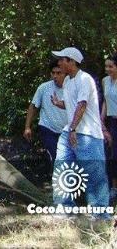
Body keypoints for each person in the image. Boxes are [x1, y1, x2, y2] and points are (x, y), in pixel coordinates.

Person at [49, 47, 110, 215]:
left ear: (72, 61)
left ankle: (100, 214)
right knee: (62, 168)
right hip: (70, 132)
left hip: (88, 134)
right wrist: (58, 103)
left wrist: (74, 128)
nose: (59, 63)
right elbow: (71, 104)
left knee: (94, 174)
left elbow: (82, 104)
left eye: (62, 59)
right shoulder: (68, 81)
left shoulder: (85, 79)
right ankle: (64, 209)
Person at [24, 62, 67, 162]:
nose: (55, 76)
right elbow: (33, 106)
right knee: (56, 156)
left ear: (65, 73)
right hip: (48, 128)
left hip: (66, 130)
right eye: (53, 73)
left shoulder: (71, 88)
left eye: (59, 73)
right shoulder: (43, 88)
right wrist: (27, 127)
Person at [101, 54, 117, 200]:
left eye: (111, 66)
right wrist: (101, 119)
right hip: (112, 122)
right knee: (112, 155)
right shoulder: (105, 81)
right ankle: (113, 187)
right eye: (106, 66)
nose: (107, 69)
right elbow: (105, 101)